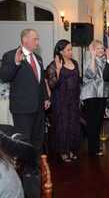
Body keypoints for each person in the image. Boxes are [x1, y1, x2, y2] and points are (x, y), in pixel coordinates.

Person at [0, 28, 50, 198]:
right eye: (35, 39)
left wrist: (45, 97)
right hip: (22, 110)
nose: (38, 42)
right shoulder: (10, 55)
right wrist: (15, 63)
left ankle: (33, 172)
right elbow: (5, 76)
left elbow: (40, 82)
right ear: (25, 39)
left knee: (37, 142)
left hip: (38, 109)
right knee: (25, 144)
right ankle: (25, 179)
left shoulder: (39, 58)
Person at [46, 39, 81, 162]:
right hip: (60, 101)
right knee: (63, 125)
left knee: (73, 125)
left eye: (71, 49)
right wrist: (58, 70)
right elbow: (51, 85)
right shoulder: (54, 64)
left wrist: (79, 98)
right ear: (60, 51)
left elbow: (78, 82)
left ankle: (71, 149)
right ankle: (63, 151)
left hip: (73, 100)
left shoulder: (75, 63)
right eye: (68, 50)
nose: (71, 52)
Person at [80, 40, 109, 156]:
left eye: (102, 48)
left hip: (102, 95)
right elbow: (90, 75)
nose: (101, 50)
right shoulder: (89, 60)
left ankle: (95, 147)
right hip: (90, 95)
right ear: (92, 50)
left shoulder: (105, 61)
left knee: (98, 122)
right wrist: (92, 57)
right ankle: (93, 149)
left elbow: (108, 78)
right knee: (92, 123)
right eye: (98, 48)